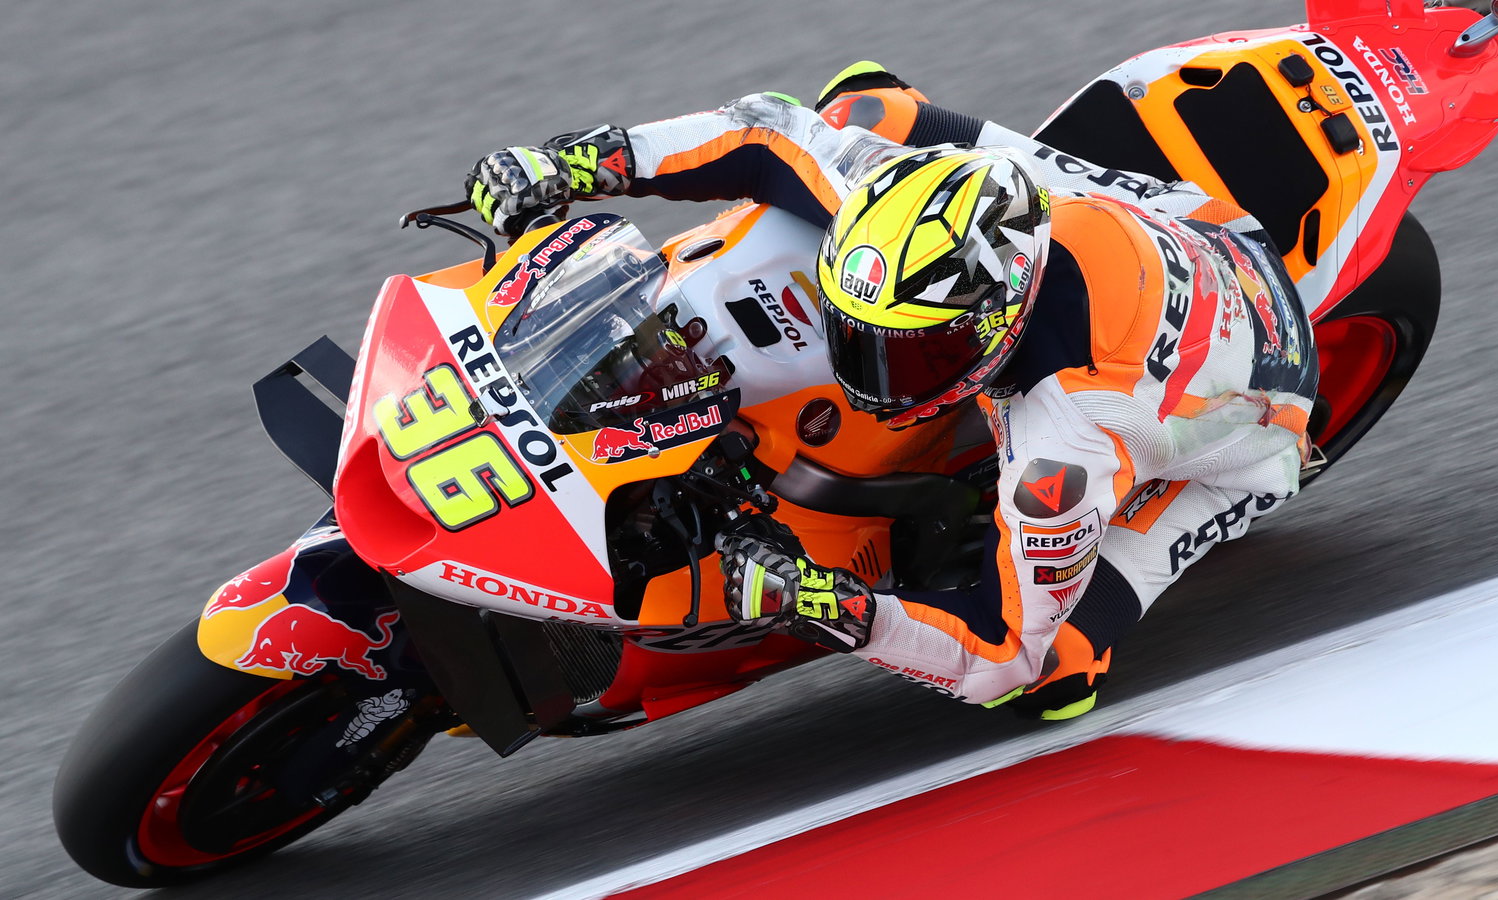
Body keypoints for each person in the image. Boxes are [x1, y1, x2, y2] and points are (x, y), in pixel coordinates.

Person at [464, 63, 1318, 720]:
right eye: (859, 337)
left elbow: (998, 654)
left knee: (1053, 673)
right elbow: (766, 131)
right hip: (1178, 219)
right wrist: (584, 161)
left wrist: (827, 604)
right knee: (860, 107)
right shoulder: (890, 197)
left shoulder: (1071, 433)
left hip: (1259, 414)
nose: (868, 372)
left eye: (908, 352)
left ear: (996, 324)